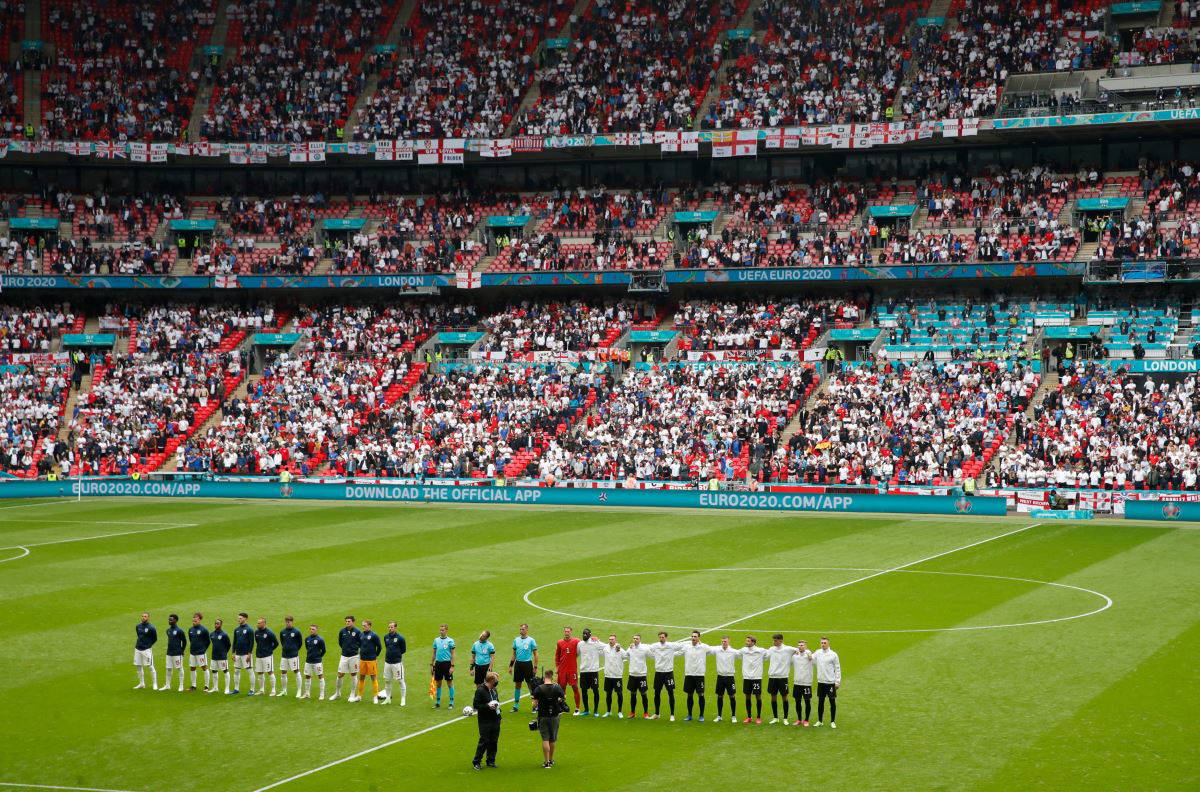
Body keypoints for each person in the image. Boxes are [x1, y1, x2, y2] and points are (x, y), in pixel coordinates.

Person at [532, 669, 565, 769]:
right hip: (554, 716)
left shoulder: (538, 688)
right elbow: (563, 698)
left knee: (545, 739)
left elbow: (534, 704)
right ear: (552, 677)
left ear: (544, 677)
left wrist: (535, 702)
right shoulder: (557, 687)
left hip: (543, 716)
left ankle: (546, 763)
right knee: (553, 739)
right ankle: (551, 760)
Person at [647, 631, 684, 721]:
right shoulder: (655, 646)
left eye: (663, 637)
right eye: (660, 637)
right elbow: (646, 647)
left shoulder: (671, 645)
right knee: (657, 693)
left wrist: (674, 654)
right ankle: (657, 714)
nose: (661, 638)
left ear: (666, 637)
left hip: (668, 673)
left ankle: (672, 714)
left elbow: (682, 645)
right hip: (658, 673)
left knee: (670, 692)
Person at [471, 671, 502, 770]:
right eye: (496, 681)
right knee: (484, 741)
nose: (497, 682)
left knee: (494, 741)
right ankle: (476, 762)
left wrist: (498, 707)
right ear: (491, 680)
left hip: (495, 719)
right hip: (485, 720)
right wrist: (487, 706)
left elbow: (497, 701)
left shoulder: (494, 690)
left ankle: (491, 760)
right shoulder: (480, 691)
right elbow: (476, 705)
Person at [765, 633, 797, 724]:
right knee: (773, 696)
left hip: (783, 677)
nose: (774, 642)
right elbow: (765, 656)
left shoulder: (788, 649)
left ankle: (785, 718)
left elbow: (800, 650)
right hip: (772, 677)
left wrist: (808, 653)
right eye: (773, 640)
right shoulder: (771, 649)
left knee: (784, 697)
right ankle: (775, 717)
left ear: (781, 640)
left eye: (775, 640)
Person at [680, 629, 711, 722]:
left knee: (700, 694)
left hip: (699, 675)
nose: (693, 638)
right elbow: (678, 651)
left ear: (699, 638)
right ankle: (689, 715)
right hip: (689, 674)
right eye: (692, 636)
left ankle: (701, 715)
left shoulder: (704, 647)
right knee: (689, 695)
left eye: (695, 637)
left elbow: (711, 651)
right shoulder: (686, 647)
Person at [330, 615, 361, 702]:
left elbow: (361, 643)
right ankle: (337, 693)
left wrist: (354, 649)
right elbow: (340, 642)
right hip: (344, 656)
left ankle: (352, 693)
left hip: (354, 656)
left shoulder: (357, 632)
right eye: (346, 621)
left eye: (349, 621)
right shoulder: (342, 631)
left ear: (353, 622)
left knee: (353, 674)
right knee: (340, 674)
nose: (347, 623)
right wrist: (345, 648)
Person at [509, 623, 538, 712]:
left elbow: (536, 654)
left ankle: (534, 705)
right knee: (517, 685)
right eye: (520, 629)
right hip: (518, 665)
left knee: (530, 685)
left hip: (527, 664)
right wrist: (511, 666)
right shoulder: (516, 640)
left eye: (523, 629)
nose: (521, 630)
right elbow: (514, 654)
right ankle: (516, 705)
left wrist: (535, 666)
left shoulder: (531, 640)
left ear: (526, 630)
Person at [813, 636, 841, 728]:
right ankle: (820, 721)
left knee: (832, 702)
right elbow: (810, 658)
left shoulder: (833, 654)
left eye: (825, 643)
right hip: (821, 682)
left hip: (830, 683)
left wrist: (837, 681)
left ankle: (832, 721)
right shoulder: (817, 653)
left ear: (828, 644)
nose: (823, 644)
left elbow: (837, 668)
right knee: (820, 702)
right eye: (822, 643)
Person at [711, 635, 739, 723]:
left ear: (729, 641)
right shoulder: (717, 650)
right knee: (720, 696)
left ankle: (733, 716)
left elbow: (744, 655)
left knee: (732, 696)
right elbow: (707, 648)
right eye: (722, 641)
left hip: (730, 677)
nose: (723, 643)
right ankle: (719, 715)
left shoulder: (734, 651)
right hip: (720, 676)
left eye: (725, 641)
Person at [739, 635, 766, 723]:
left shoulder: (760, 651)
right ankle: (749, 716)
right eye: (746, 641)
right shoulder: (743, 650)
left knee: (758, 696)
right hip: (746, 677)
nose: (746, 642)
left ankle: (758, 717)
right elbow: (734, 653)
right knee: (747, 696)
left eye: (748, 641)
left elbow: (770, 653)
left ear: (753, 642)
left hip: (756, 677)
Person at [576, 628, 604, 716]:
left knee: (595, 690)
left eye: (586, 634)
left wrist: (598, 640)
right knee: (584, 690)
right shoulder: (580, 644)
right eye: (583, 634)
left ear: (590, 635)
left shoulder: (595, 643)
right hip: (584, 671)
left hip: (593, 671)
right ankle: (586, 710)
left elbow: (606, 646)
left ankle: (595, 710)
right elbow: (577, 654)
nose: (584, 635)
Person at [555, 626, 581, 714]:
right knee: (561, 689)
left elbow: (585, 643)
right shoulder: (559, 642)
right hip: (562, 669)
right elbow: (557, 656)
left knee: (575, 687)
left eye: (568, 631)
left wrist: (593, 638)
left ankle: (577, 708)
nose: (567, 633)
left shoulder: (576, 641)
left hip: (572, 669)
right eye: (565, 631)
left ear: (571, 632)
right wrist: (557, 667)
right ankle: (562, 707)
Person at [355, 619, 382, 703]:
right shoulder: (361, 635)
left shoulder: (374, 635)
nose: (363, 627)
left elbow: (379, 647)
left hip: (371, 660)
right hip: (362, 660)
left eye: (365, 625)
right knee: (361, 677)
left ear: (369, 626)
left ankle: (375, 697)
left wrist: (375, 655)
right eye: (362, 625)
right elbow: (359, 644)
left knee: (373, 677)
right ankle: (359, 696)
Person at [625, 633, 651, 719]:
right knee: (633, 694)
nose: (635, 640)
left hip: (641, 675)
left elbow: (651, 655)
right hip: (632, 675)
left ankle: (646, 713)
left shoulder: (644, 648)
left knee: (643, 694)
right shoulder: (630, 648)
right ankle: (632, 712)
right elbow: (626, 655)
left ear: (640, 640)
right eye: (634, 638)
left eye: (637, 638)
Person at [431, 623, 456, 710]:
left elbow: (453, 654)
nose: (441, 631)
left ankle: (451, 702)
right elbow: (434, 653)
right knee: (438, 684)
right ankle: (437, 702)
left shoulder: (450, 641)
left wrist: (452, 666)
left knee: (449, 683)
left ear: (446, 630)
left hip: (447, 664)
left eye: (443, 630)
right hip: (438, 664)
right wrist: (432, 664)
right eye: (440, 630)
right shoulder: (436, 640)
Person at [252, 617, 279, 697]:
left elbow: (276, 643)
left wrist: (269, 650)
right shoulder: (256, 632)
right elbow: (258, 642)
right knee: (260, 672)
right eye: (257, 623)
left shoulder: (269, 633)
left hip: (267, 656)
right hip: (258, 655)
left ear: (264, 623)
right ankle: (261, 690)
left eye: (259, 623)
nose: (258, 624)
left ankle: (273, 690)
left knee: (270, 672)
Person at [381, 621, 407, 705]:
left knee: (400, 681)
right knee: (387, 681)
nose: (390, 628)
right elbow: (387, 647)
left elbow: (403, 650)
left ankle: (403, 699)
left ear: (395, 628)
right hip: (387, 662)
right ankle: (388, 698)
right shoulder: (386, 637)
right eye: (389, 627)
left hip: (397, 663)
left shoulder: (400, 638)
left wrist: (396, 655)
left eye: (392, 627)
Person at [277, 616, 303, 698]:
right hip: (284, 655)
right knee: (283, 672)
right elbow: (282, 642)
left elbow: (300, 643)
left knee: (296, 671)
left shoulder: (296, 632)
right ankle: (284, 690)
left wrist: (294, 650)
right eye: (286, 622)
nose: (288, 623)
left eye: (289, 622)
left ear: (292, 622)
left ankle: (299, 690)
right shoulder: (282, 632)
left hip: (293, 656)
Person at [601, 634, 626, 718]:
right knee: (608, 694)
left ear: (615, 640)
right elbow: (600, 646)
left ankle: (620, 711)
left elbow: (626, 656)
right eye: (610, 639)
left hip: (617, 676)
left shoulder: (620, 650)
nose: (611, 641)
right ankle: (608, 711)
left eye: (612, 639)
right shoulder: (605, 648)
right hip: (608, 676)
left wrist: (621, 649)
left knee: (619, 693)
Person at [791, 639, 815, 727]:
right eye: (799, 645)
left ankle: (806, 720)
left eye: (802, 645)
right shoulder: (794, 656)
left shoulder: (810, 656)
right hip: (797, 683)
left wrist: (810, 656)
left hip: (806, 683)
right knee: (797, 701)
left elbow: (815, 662)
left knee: (807, 701)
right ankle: (799, 719)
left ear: (806, 646)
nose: (800, 646)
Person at [161, 613, 186, 692]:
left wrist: (182, 650)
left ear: (176, 620)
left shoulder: (179, 631)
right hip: (169, 653)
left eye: (171, 619)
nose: (169, 621)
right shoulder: (168, 631)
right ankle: (167, 685)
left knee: (179, 668)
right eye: (169, 619)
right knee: (168, 669)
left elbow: (184, 641)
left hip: (177, 653)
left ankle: (181, 685)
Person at [133, 611, 158, 690]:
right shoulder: (138, 626)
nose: (143, 617)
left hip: (146, 650)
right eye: (142, 616)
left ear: (148, 618)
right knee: (138, 666)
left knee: (150, 666)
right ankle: (141, 683)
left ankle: (155, 684)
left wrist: (148, 645)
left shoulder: (151, 627)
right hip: (138, 649)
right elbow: (139, 635)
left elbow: (155, 638)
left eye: (145, 616)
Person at [231, 612, 254, 695]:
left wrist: (249, 654)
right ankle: (236, 689)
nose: (239, 619)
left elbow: (251, 643)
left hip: (246, 654)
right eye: (238, 618)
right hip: (238, 654)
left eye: (240, 618)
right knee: (236, 671)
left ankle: (252, 689)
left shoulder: (249, 629)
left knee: (250, 671)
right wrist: (233, 652)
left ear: (245, 619)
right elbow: (234, 642)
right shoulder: (236, 630)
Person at [186, 612, 210, 692]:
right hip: (192, 652)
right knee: (192, 668)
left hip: (201, 653)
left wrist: (203, 649)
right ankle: (193, 686)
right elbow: (191, 639)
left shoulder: (204, 630)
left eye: (195, 621)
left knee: (204, 667)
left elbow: (208, 641)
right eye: (193, 621)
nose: (194, 622)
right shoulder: (190, 630)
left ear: (199, 620)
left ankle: (206, 686)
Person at [303, 624, 326, 700]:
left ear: (316, 630)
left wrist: (318, 657)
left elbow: (324, 651)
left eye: (313, 629)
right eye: (310, 629)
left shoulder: (320, 640)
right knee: (307, 676)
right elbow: (307, 648)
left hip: (317, 662)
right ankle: (307, 693)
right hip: (308, 661)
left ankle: (322, 694)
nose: (311, 630)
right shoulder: (307, 639)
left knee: (320, 676)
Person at [207, 618, 231, 694]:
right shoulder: (212, 634)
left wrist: (225, 652)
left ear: (221, 625)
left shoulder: (224, 634)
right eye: (215, 623)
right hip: (214, 656)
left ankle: (227, 688)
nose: (216, 625)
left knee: (225, 671)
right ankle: (215, 687)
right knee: (214, 671)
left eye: (218, 623)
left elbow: (229, 645)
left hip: (222, 657)